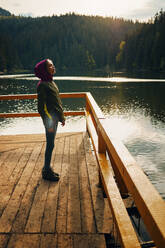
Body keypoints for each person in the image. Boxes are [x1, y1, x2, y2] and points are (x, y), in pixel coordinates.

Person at [34, 59, 65, 181]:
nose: (53, 67)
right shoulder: (42, 85)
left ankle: (47, 168)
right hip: (50, 121)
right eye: (50, 66)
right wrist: (49, 123)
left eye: (53, 65)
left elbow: (57, 102)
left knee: (51, 144)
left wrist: (62, 117)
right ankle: (46, 171)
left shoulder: (51, 82)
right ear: (45, 70)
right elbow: (41, 108)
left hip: (56, 119)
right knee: (50, 144)